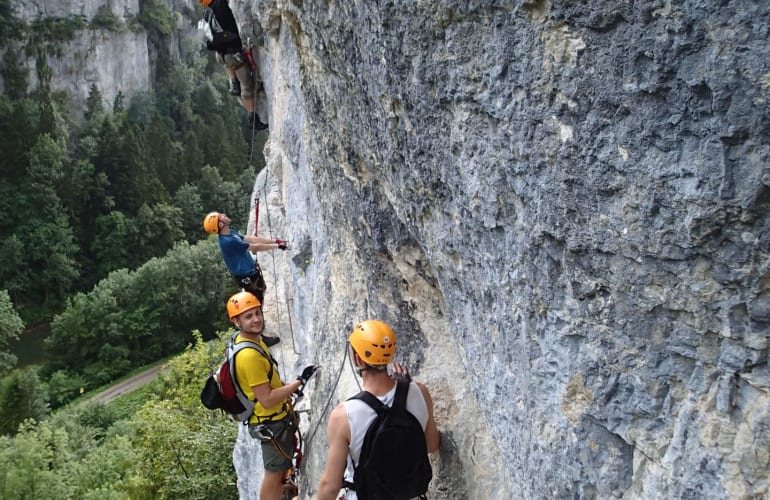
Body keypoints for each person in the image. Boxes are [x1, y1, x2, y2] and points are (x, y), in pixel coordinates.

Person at [316, 320, 440, 500]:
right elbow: (432, 445)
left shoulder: (343, 416)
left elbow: (330, 486)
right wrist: (406, 390)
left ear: (358, 359)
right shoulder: (420, 392)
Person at [226, 291, 318, 500]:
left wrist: (290, 388)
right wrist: (298, 382)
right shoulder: (248, 355)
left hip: (273, 420)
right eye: (248, 316)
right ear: (236, 321)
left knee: (279, 472)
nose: (256, 319)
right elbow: (266, 399)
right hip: (271, 423)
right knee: (274, 474)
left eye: (257, 313)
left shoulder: (250, 341)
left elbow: (268, 382)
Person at [204, 211, 288, 346]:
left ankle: (259, 326)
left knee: (260, 296)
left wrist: (275, 241)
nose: (225, 214)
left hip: (251, 272)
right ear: (220, 224)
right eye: (222, 216)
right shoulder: (228, 241)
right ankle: (261, 338)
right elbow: (254, 247)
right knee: (255, 305)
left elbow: (251, 239)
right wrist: (277, 246)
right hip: (246, 276)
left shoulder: (229, 232)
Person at [198, 0, 268, 130]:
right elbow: (228, 34)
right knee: (247, 84)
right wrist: (232, 40)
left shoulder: (209, 13)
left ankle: (234, 82)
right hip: (232, 55)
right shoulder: (220, 7)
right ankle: (252, 119)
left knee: (230, 67)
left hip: (222, 55)